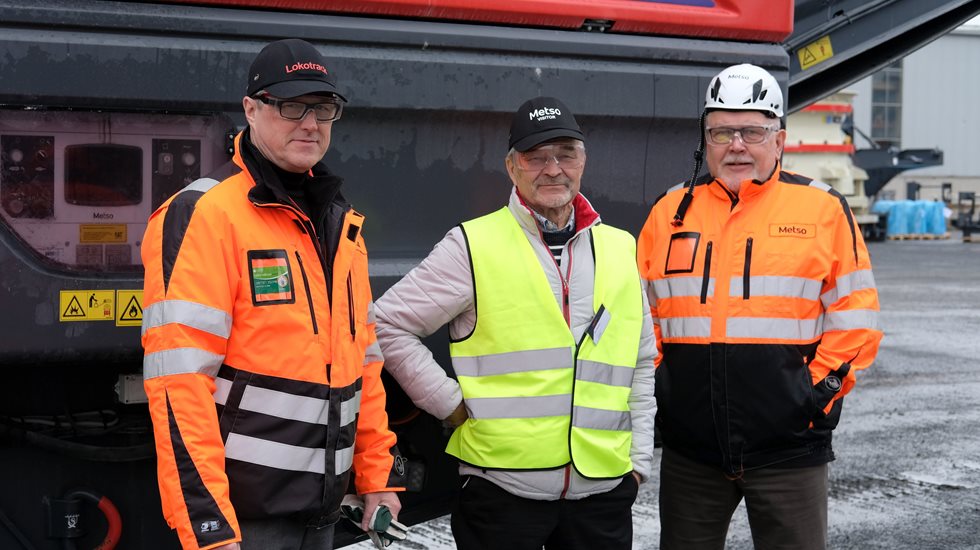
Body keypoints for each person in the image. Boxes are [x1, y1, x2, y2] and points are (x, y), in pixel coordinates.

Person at [140, 38, 404, 550]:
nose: (310, 122)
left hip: (324, 517)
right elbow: (178, 384)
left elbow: (364, 363)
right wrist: (208, 526)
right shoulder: (205, 215)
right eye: (291, 106)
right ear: (250, 111)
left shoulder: (339, 221)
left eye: (323, 107)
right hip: (245, 524)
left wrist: (378, 477)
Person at [374, 96, 657, 550]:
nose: (552, 169)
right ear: (512, 167)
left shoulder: (620, 248)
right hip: (502, 497)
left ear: (583, 161)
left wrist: (638, 461)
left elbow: (642, 363)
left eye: (566, 153)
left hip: (603, 496)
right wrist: (449, 403)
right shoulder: (472, 245)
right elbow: (385, 324)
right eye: (535, 156)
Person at [636, 63, 883, 549]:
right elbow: (644, 316)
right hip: (692, 452)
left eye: (752, 130)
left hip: (790, 448)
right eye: (722, 131)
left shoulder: (822, 209)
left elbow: (856, 318)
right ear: (705, 139)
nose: (737, 145)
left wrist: (815, 394)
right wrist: (669, 388)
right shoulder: (670, 212)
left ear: (780, 138)